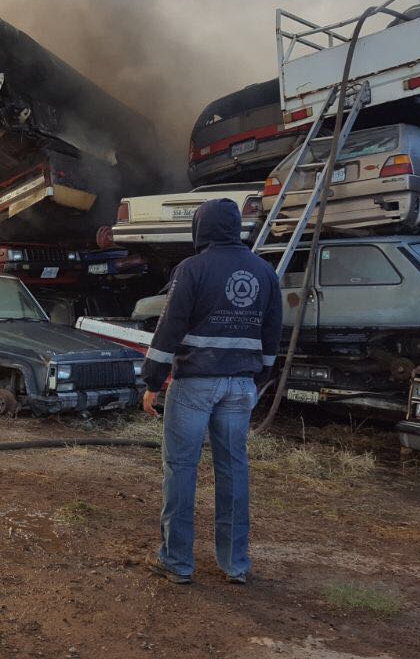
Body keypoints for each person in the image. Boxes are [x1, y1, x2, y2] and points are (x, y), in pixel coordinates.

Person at [140, 198, 282, 586]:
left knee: (182, 468)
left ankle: (177, 562)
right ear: (236, 228)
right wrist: (259, 376)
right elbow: (272, 333)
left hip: (195, 384)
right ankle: (235, 564)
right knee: (233, 469)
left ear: (201, 228)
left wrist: (152, 382)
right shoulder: (264, 271)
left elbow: (169, 327)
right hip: (241, 384)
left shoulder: (192, 269)